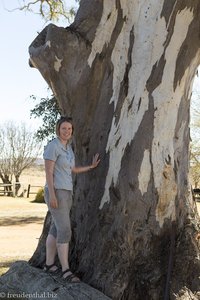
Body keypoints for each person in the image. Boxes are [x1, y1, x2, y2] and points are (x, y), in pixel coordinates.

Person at [43, 116, 100, 282]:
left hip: (67, 192)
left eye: (69, 129)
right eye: (63, 128)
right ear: (58, 130)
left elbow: (73, 169)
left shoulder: (68, 148)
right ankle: (66, 270)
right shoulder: (53, 146)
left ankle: (49, 264)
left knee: (56, 227)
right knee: (65, 230)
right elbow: (48, 172)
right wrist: (52, 194)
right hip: (56, 192)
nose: (66, 131)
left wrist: (91, 166)